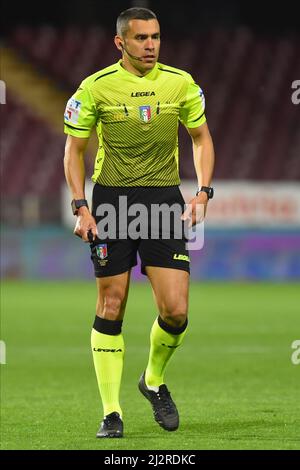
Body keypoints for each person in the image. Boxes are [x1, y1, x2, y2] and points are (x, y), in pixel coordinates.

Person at [63, 7, 215, 438]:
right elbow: (73, 151)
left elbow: (201, 138)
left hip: (163, 201)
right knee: (111, 305)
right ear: (120, 42)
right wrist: (81, 207)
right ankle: (111, 412)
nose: (151, 45)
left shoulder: (180, 83)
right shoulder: (95, 88)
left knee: (177, 312)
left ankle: (152, 379)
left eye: (156, 37)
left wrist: (203, 191)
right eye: (141, 38)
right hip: (112, 202)